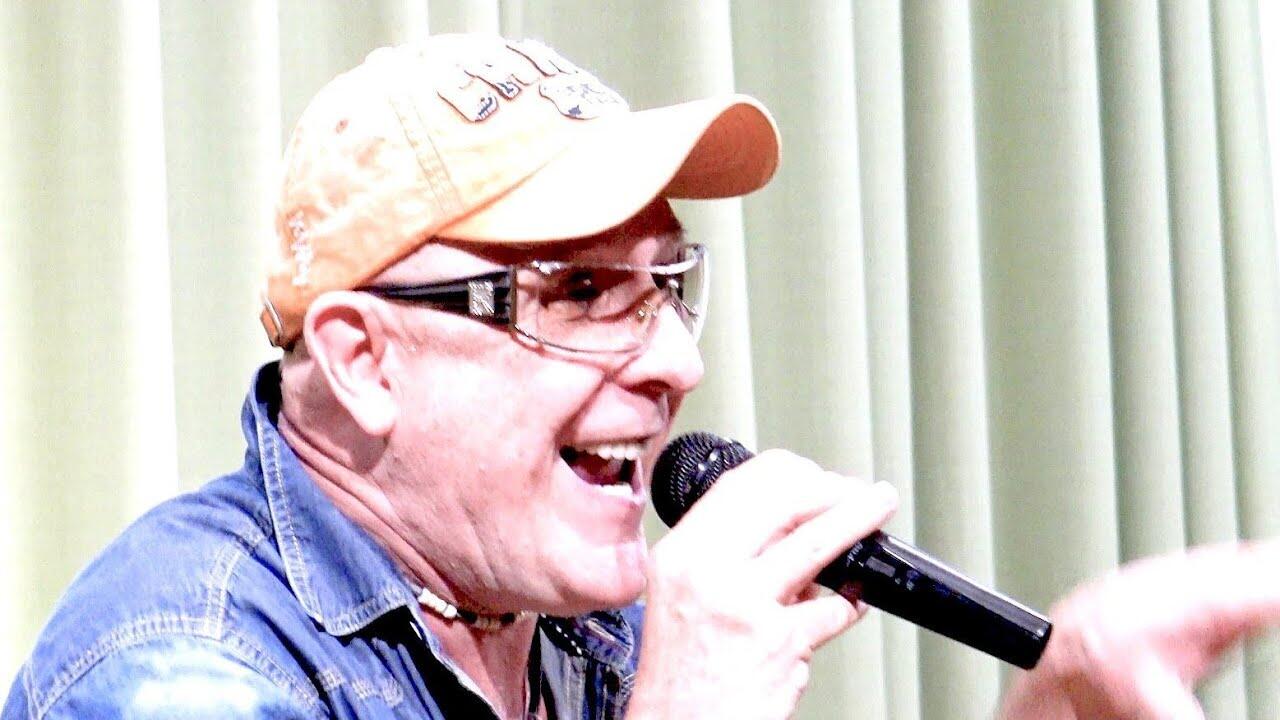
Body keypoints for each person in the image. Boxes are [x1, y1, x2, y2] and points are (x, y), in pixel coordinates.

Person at [4, 33, 1279, 720]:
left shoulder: (570, 618)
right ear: (363, 360)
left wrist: (1052, 711)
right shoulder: (177, 673)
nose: (679, 360)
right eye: (575, 291)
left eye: (666, 285)